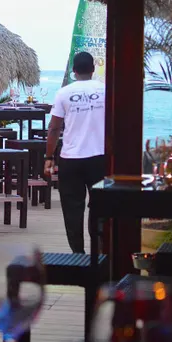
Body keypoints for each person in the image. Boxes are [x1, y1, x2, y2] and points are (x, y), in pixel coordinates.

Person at [44, 52, 105, 254]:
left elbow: (54, 128)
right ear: (93, 69)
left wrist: (49, 157)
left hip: (71, 159)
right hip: (99, 158)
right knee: (99, 208)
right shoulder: (105, 90)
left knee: (72, 210)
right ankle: (99, 254)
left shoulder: (64, 93)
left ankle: (78, 255)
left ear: (74, 71)